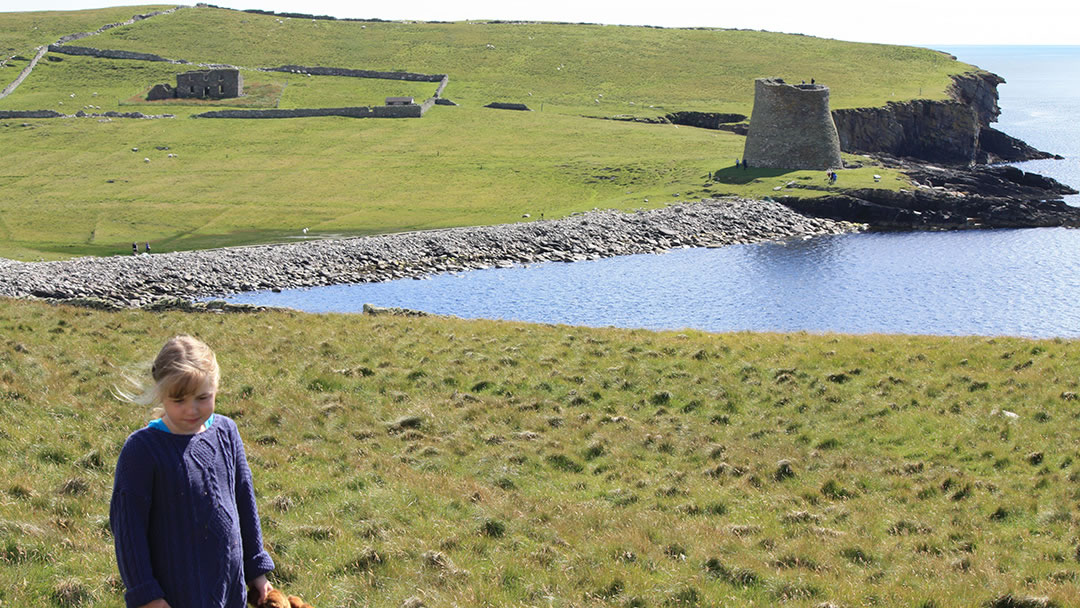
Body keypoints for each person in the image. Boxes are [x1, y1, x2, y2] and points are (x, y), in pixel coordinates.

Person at [110, 336, 274, 608]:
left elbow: (244, 500)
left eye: (203, 397)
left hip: (231, 590)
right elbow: (129, 530)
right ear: (160, 392)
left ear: (216, 387)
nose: (192, 409)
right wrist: (147, 595)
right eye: (178, 399)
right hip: (174, 595)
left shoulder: (226, 432)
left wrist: (256, 568)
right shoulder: (141, 450)